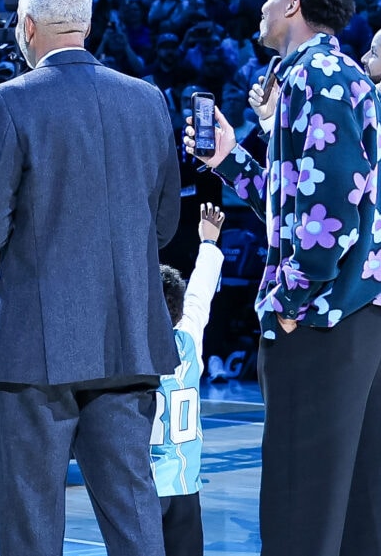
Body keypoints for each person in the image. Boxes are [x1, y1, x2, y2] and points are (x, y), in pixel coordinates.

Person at [193, 0, 381, 556]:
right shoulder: (336, 76)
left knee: (302, 500)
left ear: (293, 5)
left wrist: (293, 297)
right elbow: (304, 191)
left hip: (330, 311)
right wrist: (228, 159)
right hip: (373, 307)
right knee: (364, 508)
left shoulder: (312, 77)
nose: (262, 6)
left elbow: (330, 209)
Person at [0, 0, 177, 556]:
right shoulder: (148, 100)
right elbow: (165, 226)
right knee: (134, 513)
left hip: (37, 348)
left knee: (31, 525)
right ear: (86, 23)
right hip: (129, 339)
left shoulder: (7, 102)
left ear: (26, 26)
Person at [152, 203, 225, 556]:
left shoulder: (133, 353)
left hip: (146, 488)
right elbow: (201, 292)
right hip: (185, 485)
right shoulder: (189, 340)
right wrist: (208, 244)